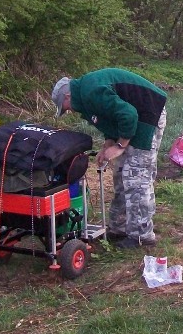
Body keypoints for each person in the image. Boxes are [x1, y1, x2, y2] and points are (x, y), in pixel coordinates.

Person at [52, 69, 167, 249]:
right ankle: (119, 228)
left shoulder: (91, 92)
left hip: (147, 115)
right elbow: (107, 117)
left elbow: (128, 114)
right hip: (132, 120)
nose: (70, 111)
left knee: (136, 178)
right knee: (121, 175)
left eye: (65, 107)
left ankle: (141, 236)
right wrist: (109, 143)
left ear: (68, 96)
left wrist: (120, 146)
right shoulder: (85, 97)